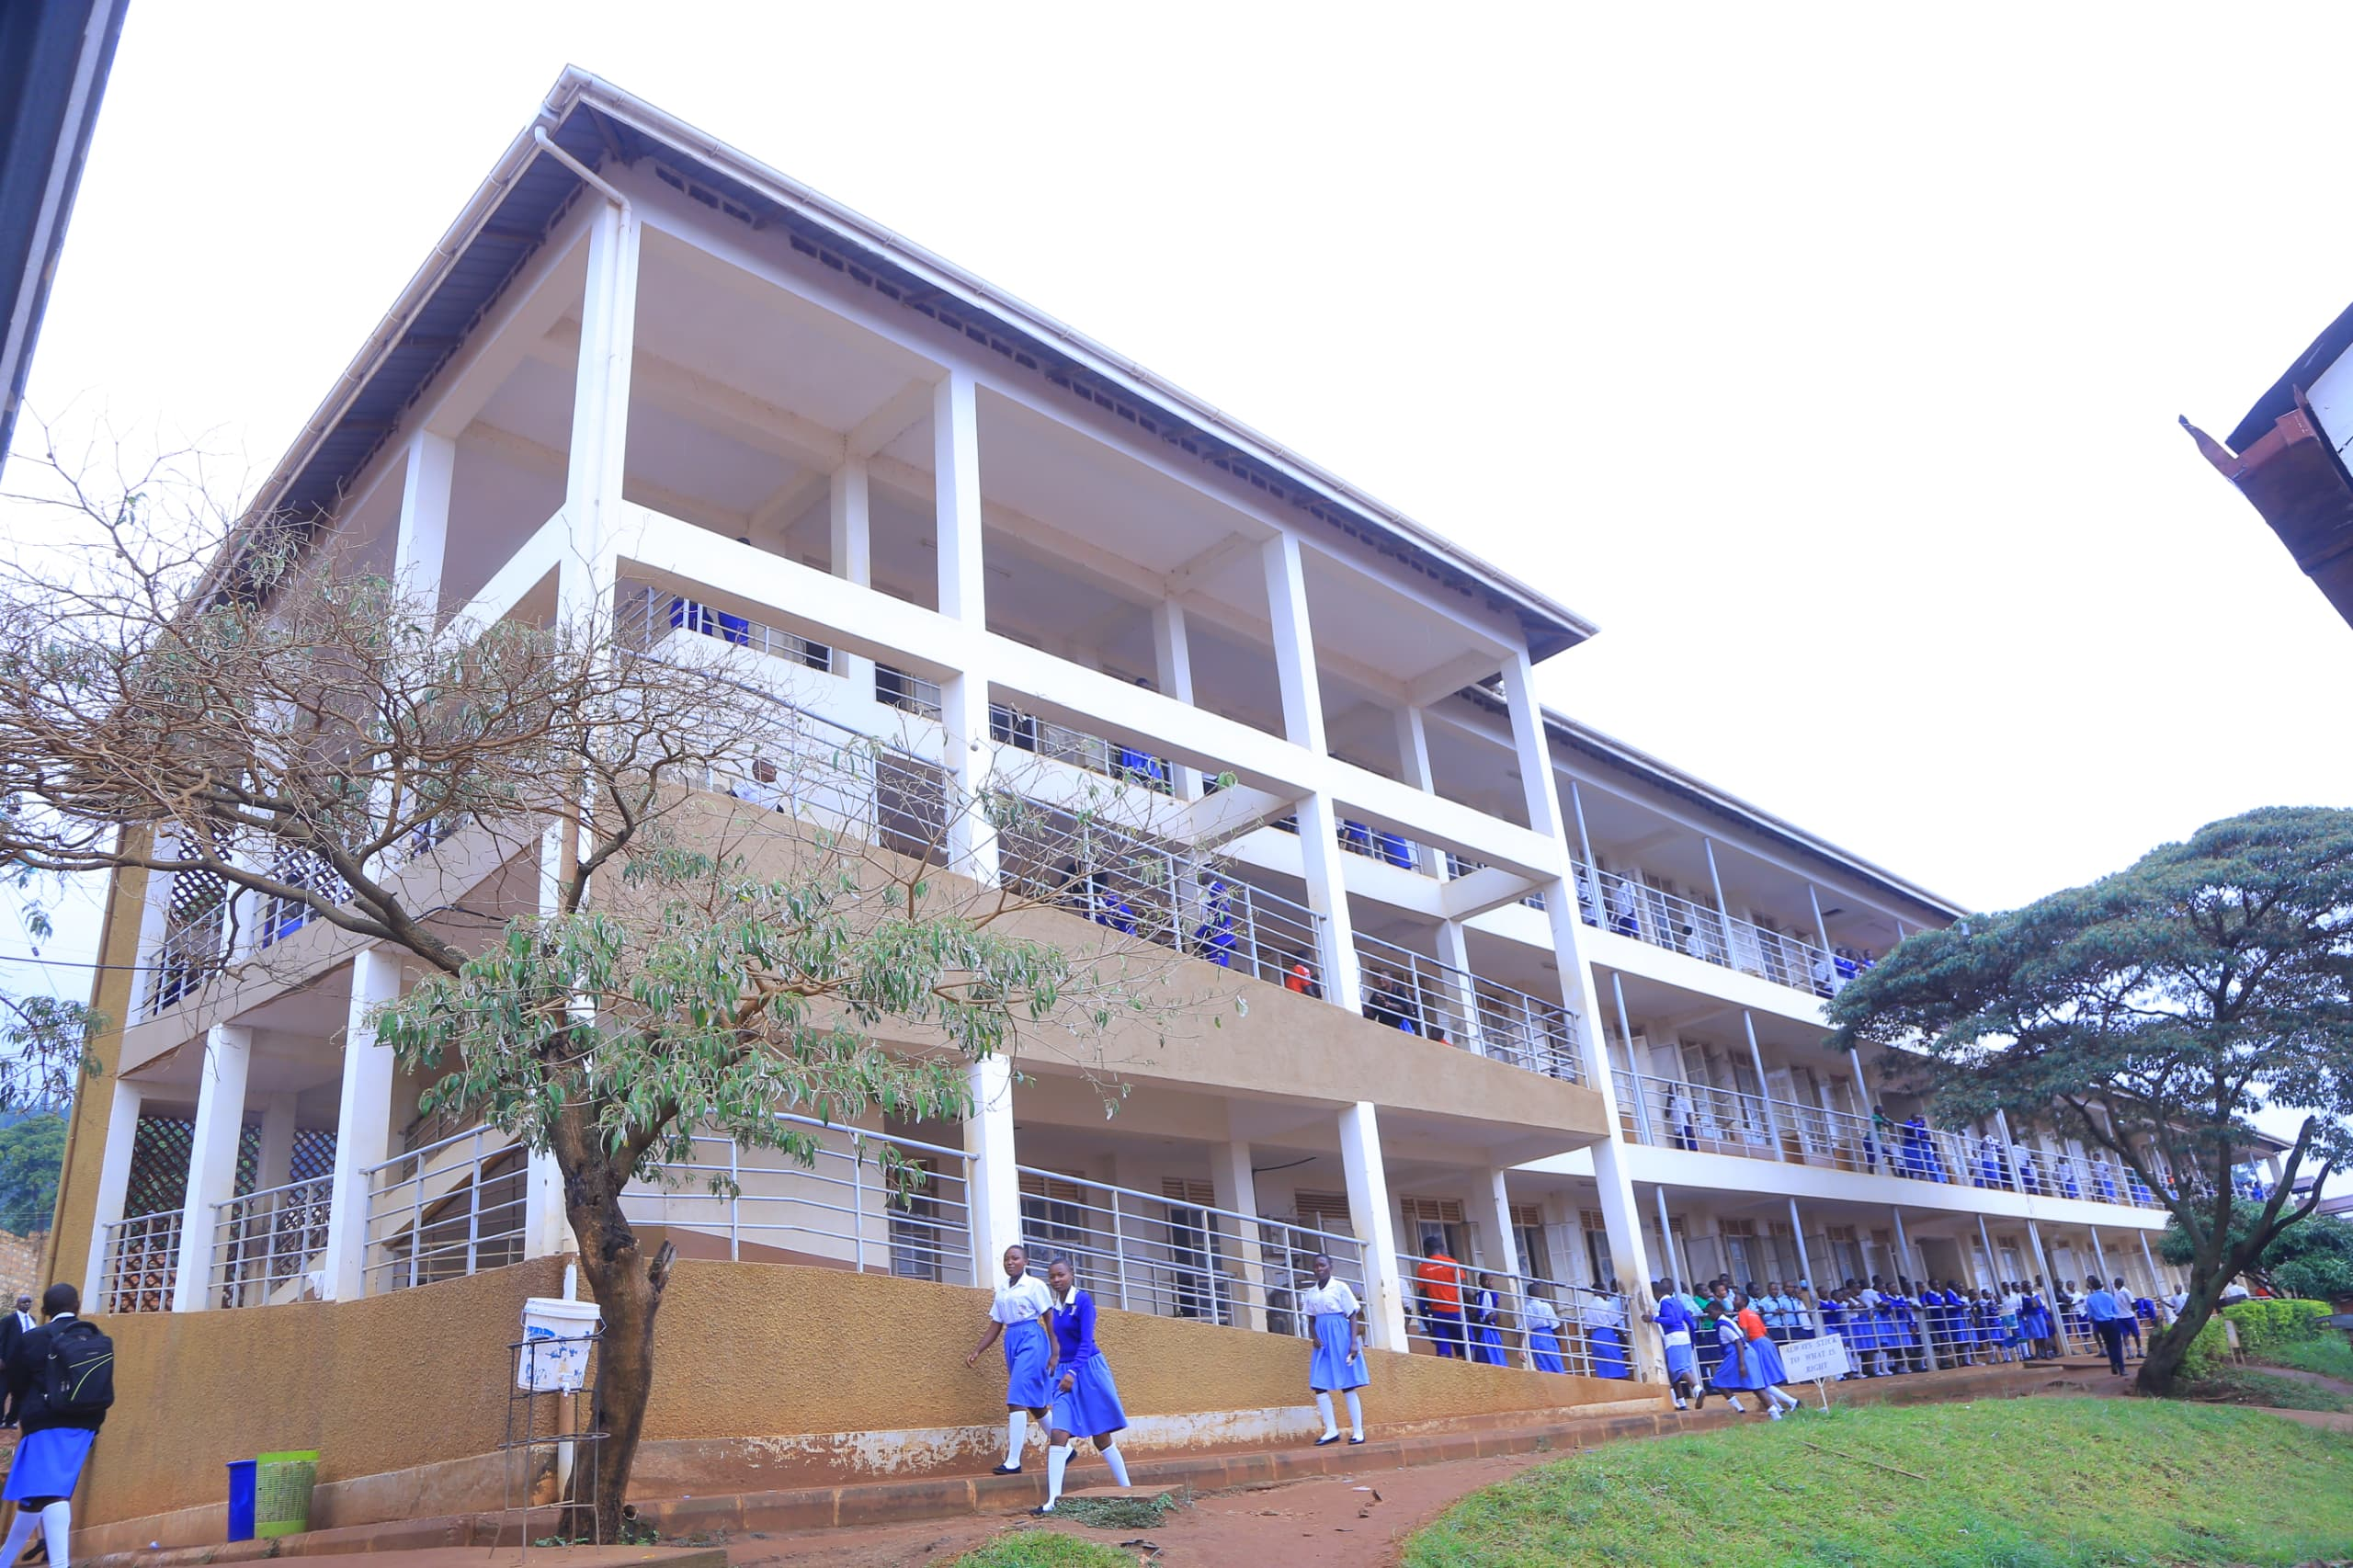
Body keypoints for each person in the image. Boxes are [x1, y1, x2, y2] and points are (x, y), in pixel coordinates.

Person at [1, 1283, 107, 1568]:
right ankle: (4, 1560)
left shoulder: (33, 1338)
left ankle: (60, 1564)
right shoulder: (94, 1336)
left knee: (50, 1492)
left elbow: (16, 1382)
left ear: (44, 1311)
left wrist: (21, 1413)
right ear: (78, 1306)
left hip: (45, 1422)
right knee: (33, 1495)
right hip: (84, 1424)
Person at [1036, 1257, 1132, 1514]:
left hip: (1087, 1370)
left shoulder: (1083, 1301)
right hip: (1064, 1374)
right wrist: (1055, 1359)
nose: (1056, 1280)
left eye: (1061, 1275)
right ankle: (1053, 1502)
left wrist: (1073, 1372)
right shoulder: (1055, 1307)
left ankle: (1128, 1490)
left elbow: (1086, 1342)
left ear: (1072, 1274)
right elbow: (1058, 1339)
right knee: (1058, 1434)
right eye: (1052, 1277)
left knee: (1101, 1437)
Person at [965, 1244, 1057, 1474]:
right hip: (1012, 1339)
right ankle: (1064, 1447)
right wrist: (978, 1350)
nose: (1010, 1262)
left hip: (1032, 1339)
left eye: (1015, 1258)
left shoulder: (1034, 1285)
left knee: (1016, 1397)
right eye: (1006, 1259)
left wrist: (1056, 1352)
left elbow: (1049, 1317)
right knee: (1035, 1404)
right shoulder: (1003, 1289)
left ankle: (1013, 1461)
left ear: (1025, 1262)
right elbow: (996, 1324)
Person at [1299, 1254, 1368, 1445]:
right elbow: (1311, 1319)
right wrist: (1314, 1337)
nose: (1318, 1269)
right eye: (1316, 1266)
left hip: (1340, 1335)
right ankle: (1331, 1430)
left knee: (1348, 1384)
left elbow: (1353, 1315)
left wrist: (1353, 1342)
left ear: (1330, 1266)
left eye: (1322, 1265)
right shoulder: (1311, 1293)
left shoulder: (1340, 1287)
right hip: (1322, 1342)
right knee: (1319, 1385)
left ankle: (1358, 1432)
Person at [1646, 1278, 1703, 1410]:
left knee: (1679, 1369)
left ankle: (1697, 1389)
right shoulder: (1677, 1302)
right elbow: (1689, 1322)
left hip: (1673, 1338)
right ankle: (1681, 1403)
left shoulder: (1664, 1303)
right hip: (1684, 1338)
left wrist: (1653, 1318)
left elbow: (1671, 1320)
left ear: (1656, 1293)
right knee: (1675, 1371)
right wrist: (1693, 1341)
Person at [1415, 1237, 1466, 1358]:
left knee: (1443, 1350)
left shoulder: (1422, 1267)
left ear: (1426, 1250)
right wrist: (1472, 1306)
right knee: (1467, 1346)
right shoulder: (1452, 1263)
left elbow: (1422, 1298)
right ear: (1442, 1248)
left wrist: (1427, 1325)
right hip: (1456, 1311)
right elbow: (1463, 1289)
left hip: (1438, 1314)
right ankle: (1472, 1374)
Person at [1583, 1284, 1631, 1379]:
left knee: (1602, 1368)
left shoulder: (1588, 1308)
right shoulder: (1607, 1305)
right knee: (1616, 1365)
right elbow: (1615, 1325)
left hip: (1595, 1337)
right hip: (1608, 1335)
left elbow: (1588, 1331)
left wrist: (1592, 1344)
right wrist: (1625, 1343)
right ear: (1602, 1292)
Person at [2086, 1278, 2130, 1377]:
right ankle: (2122, 1369)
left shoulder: (2090, 1298)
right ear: (2102, 1286)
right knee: (2117, 1345)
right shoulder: (2109, 1296)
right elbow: (2116, 1310)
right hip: (2112, 1321)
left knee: (2109, 1345)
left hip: (2100, 1323)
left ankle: (2113, 1364)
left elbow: (2090, 1314)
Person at [0, 1294, 31, 1428]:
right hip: (7, 1364)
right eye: (24, 1302)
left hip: (23, 1365)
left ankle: (11, 1420)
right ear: (17, 1304)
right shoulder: (8, 1320)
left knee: (18, 1395)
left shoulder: (32, 1320)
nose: (27, 1304)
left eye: (29, 1302)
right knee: (2, 1392)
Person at [1524, 1285, 1568, 1375]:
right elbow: (1555, 1326)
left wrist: (1520, 1349)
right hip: (1547, 1336)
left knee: (1543, 1367)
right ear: (1538, 1293)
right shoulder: (1545, 1306)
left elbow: (1520, 1328)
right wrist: (1558, 1340)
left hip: (1534, 1337)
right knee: (1556, 1365)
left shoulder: (1526, 1308)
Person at [1468, 1275, 1509, 1367]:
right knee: (1492, 1356)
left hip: (1486, 1329)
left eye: (1491, 1280)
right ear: (1481, 1282)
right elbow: (1488, 1317)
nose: (1490, 1282)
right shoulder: (1486, 1294)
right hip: (1487, 1330)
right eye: (1487, 1280)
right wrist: (1498, 1306)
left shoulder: (1483, 1294)